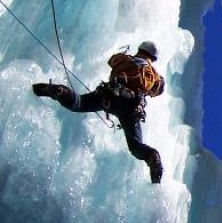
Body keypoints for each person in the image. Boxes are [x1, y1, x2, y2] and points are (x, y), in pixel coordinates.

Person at [32, 41, 165, 183]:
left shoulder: (125, 59)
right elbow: (158, 89)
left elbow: (112, 61)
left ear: (141, 49)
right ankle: (152, 156)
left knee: (79, 103)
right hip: (131, 106)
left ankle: (59, 91)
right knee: (135, 146)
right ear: (153, 58)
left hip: (109, 94)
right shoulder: (153, 74)